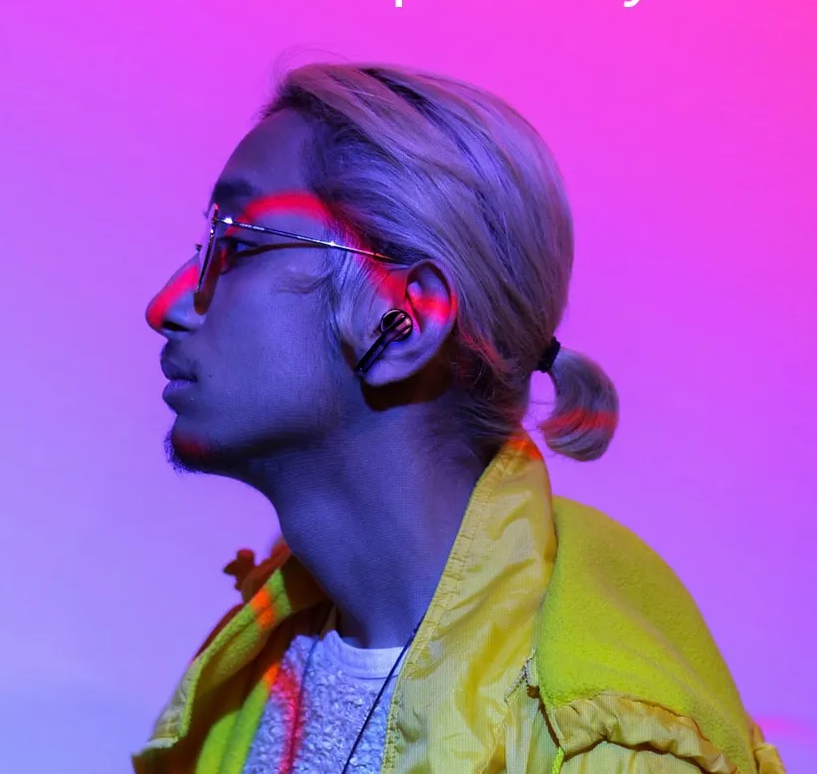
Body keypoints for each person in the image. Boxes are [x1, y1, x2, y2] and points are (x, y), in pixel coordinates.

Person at [136, 63, 785, 774]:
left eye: (238, 245)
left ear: (405, 319)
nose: (166, 304)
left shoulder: (610, 747)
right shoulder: (253, 669)